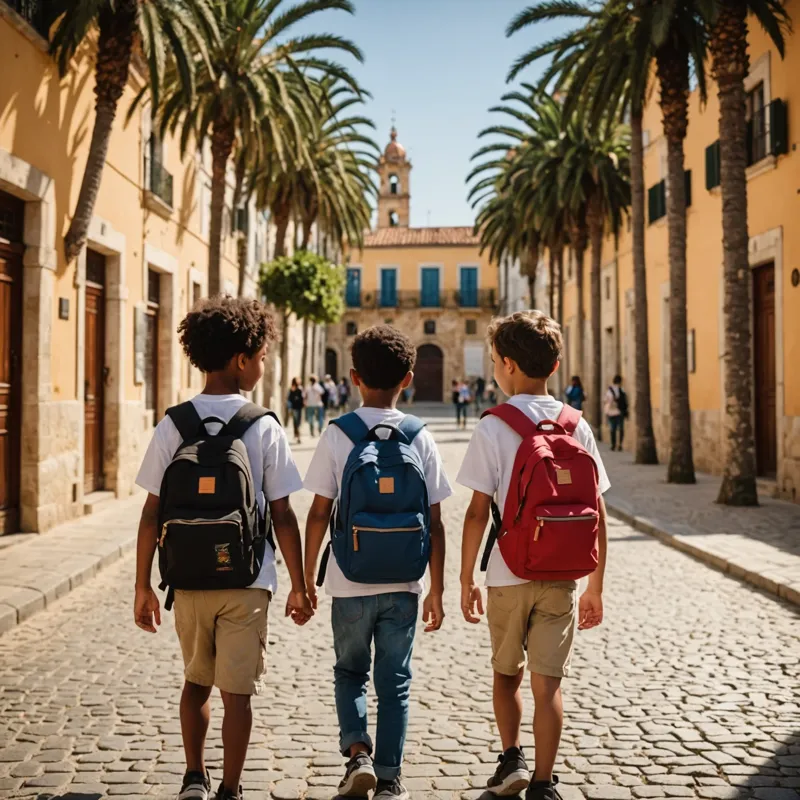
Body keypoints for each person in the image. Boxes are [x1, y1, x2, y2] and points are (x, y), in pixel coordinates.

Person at [132, 296, 313, 800]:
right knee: (238, 695)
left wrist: (143, 584)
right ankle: (230, 790)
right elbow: (283, 514)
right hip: (247, 582)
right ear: (241, 359)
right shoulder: (264, 426)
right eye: (259, 357)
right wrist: (300, 585)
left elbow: (151, 512)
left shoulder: (173, 424)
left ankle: (194, 776)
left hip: (187, 580)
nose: (261, 366)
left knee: (195, 682)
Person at [457, 311, 609, 800]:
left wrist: (465, 579)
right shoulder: (576, 425)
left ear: (505, 365)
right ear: (556, 364)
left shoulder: (495, 426)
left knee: (506, 675)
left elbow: (478, 512)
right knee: (549, 685)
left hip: (507, 571)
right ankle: (545, 784)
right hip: (563, 575)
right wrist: (595, 586)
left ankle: (511, 761)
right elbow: (598, 511)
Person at [303, 325, 452, 800]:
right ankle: (389, 778)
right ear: (407, 379)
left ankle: (357, 754)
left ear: (353, 377)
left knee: (349, 671)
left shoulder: (337, 434)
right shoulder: (419, 436)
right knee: (396, 683)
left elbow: (318, 513)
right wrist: (439, 589)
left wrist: (306, 579)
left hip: (348, 578)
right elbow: (437, 521)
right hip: (404, 583)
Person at [604, 374, 628, 451]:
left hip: (611, 412)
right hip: (619, 411)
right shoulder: (622, 390)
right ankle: (620, 444)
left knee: (612, 429)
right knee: (621, 428)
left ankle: (613, 444)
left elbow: (606, 400)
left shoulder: (609, 390)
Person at [287, 378, 304, 444]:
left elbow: (289, 399)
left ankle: (297, 435)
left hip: (294, 408)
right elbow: (301, 398)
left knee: (295, 422)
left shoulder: (291, 389)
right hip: (297, 408)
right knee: (298, 423)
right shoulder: (299, 389)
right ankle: (298, 437)